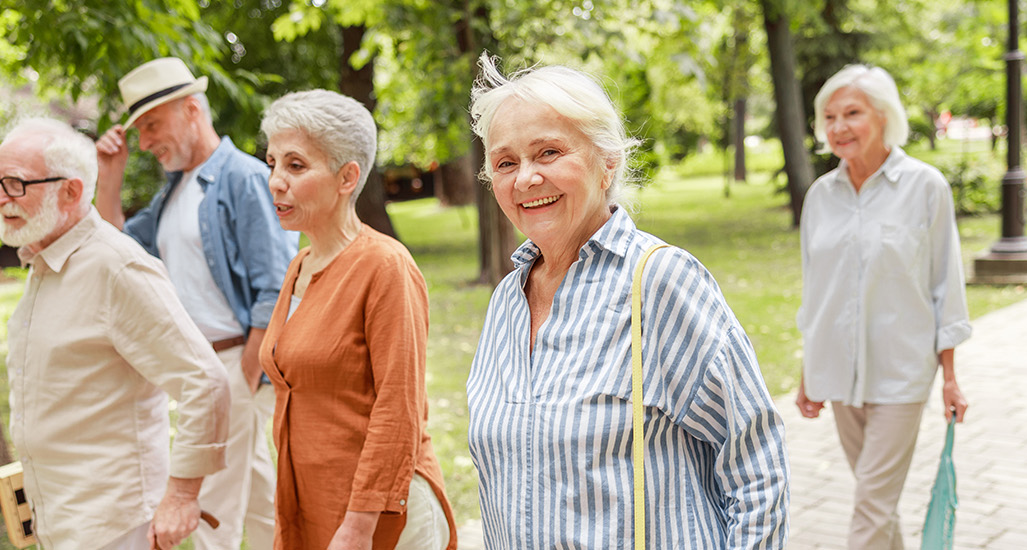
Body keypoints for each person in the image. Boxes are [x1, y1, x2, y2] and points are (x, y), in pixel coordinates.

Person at [465, 55, 790, 549]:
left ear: (607, 160)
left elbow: (756, 463)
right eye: (506, 162)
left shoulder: (658, 280)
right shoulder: (508, 299)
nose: (525, 178)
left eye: (549, 152)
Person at [0, 118, 230, 550]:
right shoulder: (43, 262)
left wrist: (181, 496)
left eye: (15, 184)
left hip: (116, 526)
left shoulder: (116, 268)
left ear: (71, 191)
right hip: (62, 520)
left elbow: (204, 380)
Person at [94, 57, 296, 550]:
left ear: (191, 110)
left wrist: (244, 379)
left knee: (209, 513)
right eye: (138, 130)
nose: (144, 142)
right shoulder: (172, 194)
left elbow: (274, 286)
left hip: (231, 368)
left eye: (151, 126)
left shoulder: (243, 179)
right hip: (199, 369)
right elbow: (110, 245)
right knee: (262, 507)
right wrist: (110, 175)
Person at [257, 89, 456, 550]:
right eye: (272, 163)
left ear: (347, 177)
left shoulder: (385, 266)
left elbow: (398, 408)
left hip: (378, 517)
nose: (275, 181)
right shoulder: (300, 264)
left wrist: (359, 525)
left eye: (295, 165)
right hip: (315, 503)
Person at [794, 64, 973, 550]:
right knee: (879, 501)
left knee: (870, 507)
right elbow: (816, 291)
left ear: (884, 116)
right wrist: (809, 368)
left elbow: (945, 285)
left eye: (852, 113)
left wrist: (950, 377)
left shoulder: (925, 187)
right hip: (838, 373)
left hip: (902, 373)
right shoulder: (820, 197)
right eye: (829, 117)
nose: (839, 127)